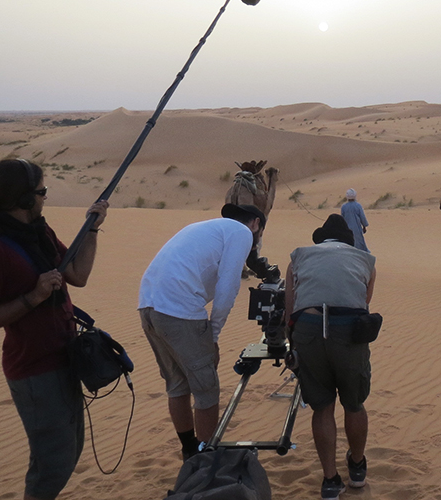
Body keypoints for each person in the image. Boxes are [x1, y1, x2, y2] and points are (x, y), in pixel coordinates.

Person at [0, 158, 109, 500]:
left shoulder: (40, 233)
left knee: (69, 450)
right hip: (33, 370)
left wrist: (92, 229)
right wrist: (35, 295)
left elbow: (78, 275)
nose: (45, 198)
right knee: (51, 463)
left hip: (64, 359)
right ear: (25, 199)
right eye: (41, 192)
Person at [137, 203, 266, 460]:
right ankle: (207, 457)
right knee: (206, 389)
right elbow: (228, 288)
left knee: (177, 384)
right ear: (256, 224)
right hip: (179, 309)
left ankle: (190, 451)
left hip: (148, 304)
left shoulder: (204, 227)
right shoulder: (242, 232)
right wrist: (213, 335)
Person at [284, 214, 377, 499]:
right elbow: (364, 302)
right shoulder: (366, 261)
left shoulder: (298, 257)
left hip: (309, 330)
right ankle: (357, 467)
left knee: (322, 407)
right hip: (349, 332)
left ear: (321, 239)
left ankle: (329, 480)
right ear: (348, 242)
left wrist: (295, 339)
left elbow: (290, 308)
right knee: (354, 403)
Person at [340, 188, 370, 253]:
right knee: (359, 245)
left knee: (348, 244)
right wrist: (364, 226)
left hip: (346, 229)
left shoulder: (344, 207)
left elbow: (342, 218)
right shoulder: (358, 206)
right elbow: (362, 217)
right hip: (357, 229)